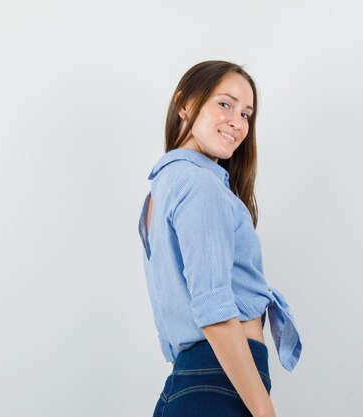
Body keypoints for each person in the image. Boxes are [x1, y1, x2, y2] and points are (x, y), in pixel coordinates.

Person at [137, 60, 302, 417]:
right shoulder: (199, 185)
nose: (237, 122)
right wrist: (264, 411)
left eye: (246, 114)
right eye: (224, 104)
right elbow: (213, 309)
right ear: (184, 104)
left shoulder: (160, 190)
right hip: (220, 384)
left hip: (190, 381)